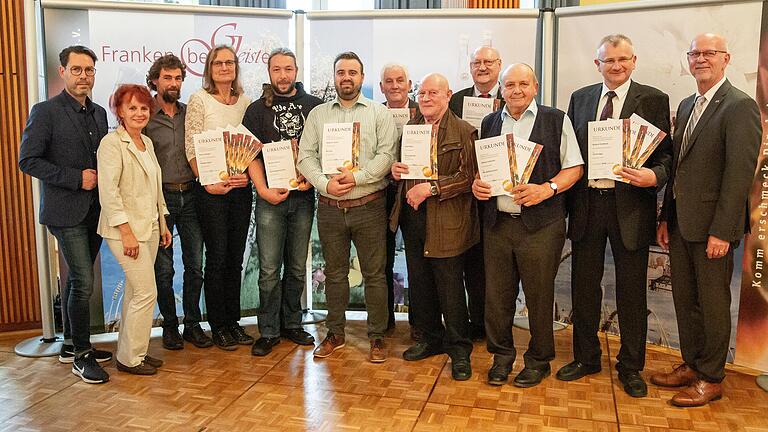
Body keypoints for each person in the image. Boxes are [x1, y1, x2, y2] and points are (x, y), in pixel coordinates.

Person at [558, 34, 672, 398]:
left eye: (623, 59)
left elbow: (666, 155)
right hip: (587, 205)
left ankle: (631, 366)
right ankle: (586, 358)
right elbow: (571, 153)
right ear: (598, 65)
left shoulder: (653, 99)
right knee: (584, 288)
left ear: (634, 61)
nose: (616, 66)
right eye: (609, 60)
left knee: (631, 292)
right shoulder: (581, 98)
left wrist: (654, 176)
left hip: (631, 207)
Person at [652, 33, 761, 407]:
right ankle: (692, 363)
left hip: (713, 228)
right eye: (695, 53)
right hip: (682, 223)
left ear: (725, 59)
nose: (701, 59)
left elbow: (739, 176)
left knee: (713, 304)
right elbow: (680, 168)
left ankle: (712, 378)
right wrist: (666, 217)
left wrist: (723, 231)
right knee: (685, 299)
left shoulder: (739, 106)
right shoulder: (686, 105)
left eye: (709, 53)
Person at [472, 64, 583, 388]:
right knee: (497, 298)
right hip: (497, 224)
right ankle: (501, 357)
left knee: (538, 296)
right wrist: (478, 185)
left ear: (535, 86)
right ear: (501, 90)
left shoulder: (555, 118)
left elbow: (574, 168)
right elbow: (485, 171)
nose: (516, 90)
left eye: (523, 83)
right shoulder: (490, 121)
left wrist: (545, 188)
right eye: (510, 85)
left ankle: (538, 361)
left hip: (541, 225)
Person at [19, 45, 112, 384]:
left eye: (89, 70)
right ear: (63, 72)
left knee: (76, 280)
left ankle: (71, 344)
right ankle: (83, 356)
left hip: (96, 211)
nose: (83, 75)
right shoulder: (45, 111)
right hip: (65, 210)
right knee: (85, 281)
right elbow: (27, 160)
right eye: (77, 69)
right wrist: (76, 178)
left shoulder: (100, 113)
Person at [297, 51, 397, 363]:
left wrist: (357, 177)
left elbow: (387, 155)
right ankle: (336, 333)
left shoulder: (379, 114)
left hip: (369, 205)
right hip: (329, 206)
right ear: (335, 76)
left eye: (353, 72)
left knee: (375, 274)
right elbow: (305, 156)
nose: (347, 78)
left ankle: (377, 336)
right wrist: (325, 184)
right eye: (341, 72)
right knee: (334, 273)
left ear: (362, 78)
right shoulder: (318, 115)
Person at [389, 73, 479, 380]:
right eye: (423, 93)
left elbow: (468, 178)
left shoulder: (465, 131)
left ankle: (459, 348)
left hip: (449, 219)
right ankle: (429, 338)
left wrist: (432, 188)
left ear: (448, 95)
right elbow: (401, 170)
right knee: (421, 280)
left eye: (433, 93)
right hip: (414, 217)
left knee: (450, 285)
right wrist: (396, 170)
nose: (426, 98)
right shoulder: (411, 129)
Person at [243, 48, 322, 356]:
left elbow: (320, 152)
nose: (283, 75)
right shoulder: (255, 110)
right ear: (269, 72)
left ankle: (292, 323)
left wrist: (309, 179)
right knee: (268, 269)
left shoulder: (314, 107)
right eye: (277, 69)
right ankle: (268, 330)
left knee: (297, 267)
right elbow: (250, 154)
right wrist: (262, 190)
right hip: (269, 199)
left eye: (288, 69)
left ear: (296, 70)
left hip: (303, 198)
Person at [98, 84, 172, 375]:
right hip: (125, 231)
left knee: (133, 293)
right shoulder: (111, 144)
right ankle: (131, 360)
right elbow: (109, 193)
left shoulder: (146, 143)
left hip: (151, 228)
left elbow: (155, 189)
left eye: (143, 108)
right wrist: (126, 232)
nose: (139, 113)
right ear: (119, 111)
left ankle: (133, 352)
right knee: (145, 293)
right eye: (132, 108)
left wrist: (163, 223)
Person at [184, 45, 254, 350]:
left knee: (236, 259)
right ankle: (217, 324)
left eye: (230, 62)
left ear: (236, 67)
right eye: (218, 63)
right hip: (211, 192)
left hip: (240, 190)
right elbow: (191, 147)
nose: (225, 67)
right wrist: (206, 180)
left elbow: (253, 149)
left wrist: (248, 176)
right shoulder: (199, 100)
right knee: (217, 258)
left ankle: (233, 322)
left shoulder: (247, 103)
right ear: (209, 68)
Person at [144, 54, 212, 351]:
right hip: (161, 200)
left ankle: (193, 325)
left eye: (178, 78)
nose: (174, 83)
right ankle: (169, 326)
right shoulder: (144, 116)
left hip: (193, 196)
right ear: (155, 80)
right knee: (164, 270)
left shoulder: (190, 113)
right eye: (167, 78)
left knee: (195, 266)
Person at [449, 46, 506, 340]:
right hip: (461, 193)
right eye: (476, 62)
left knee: (491, 263)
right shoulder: (456, 99)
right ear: (470, 67)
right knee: (467, 259)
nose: (482, 67)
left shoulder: (511, 96)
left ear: (499, 65)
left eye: (488, 62)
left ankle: (489, 324)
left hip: (499, 192)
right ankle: (469, 323)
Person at [379, 63, 420, 337]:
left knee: (418, 260)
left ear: (409, 83)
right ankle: (384, 321)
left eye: (400, 80)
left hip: (417, 194)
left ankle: (420, 322)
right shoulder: (372, 113)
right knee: (382, 260)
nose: (394, 85)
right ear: (381, 87)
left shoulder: (425, 110)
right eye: (389, 81)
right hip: (382, 194)